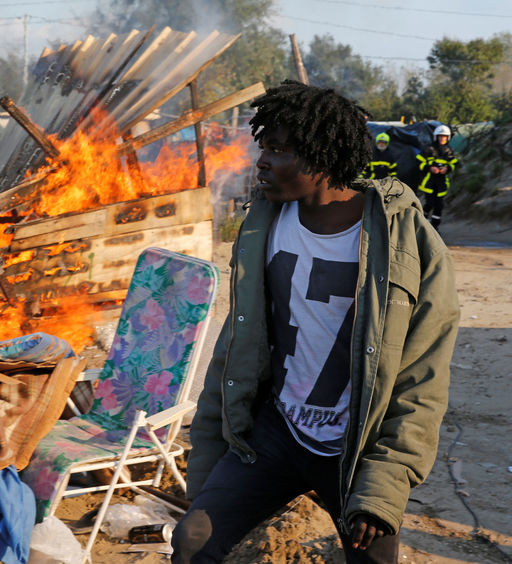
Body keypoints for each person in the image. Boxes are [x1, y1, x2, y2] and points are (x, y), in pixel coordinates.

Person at [171, 81, 460, 563]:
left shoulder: (406, 241)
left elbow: (422, 377)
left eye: (279, 150)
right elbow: (235, 349)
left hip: (356, 448)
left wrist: (383, 486)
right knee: (193, 538)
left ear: (322, 160)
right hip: (276, 433)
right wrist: (207, 463)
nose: (261, 162)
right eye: (264, 148)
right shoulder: (264, 225)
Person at [415, 124, 459, 230]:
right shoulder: (428, 149)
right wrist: (429, 168)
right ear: (436, 137)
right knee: (429, 203)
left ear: (448, 137)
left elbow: (454, 163)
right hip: (429, 182)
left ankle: (434, 228)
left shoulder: (449, 151)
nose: (442, 138)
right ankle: (422, 223)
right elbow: (418, 162)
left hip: (442, 182)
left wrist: (447, 169)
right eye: (440, 136)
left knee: (439, 206)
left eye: (444, 136)